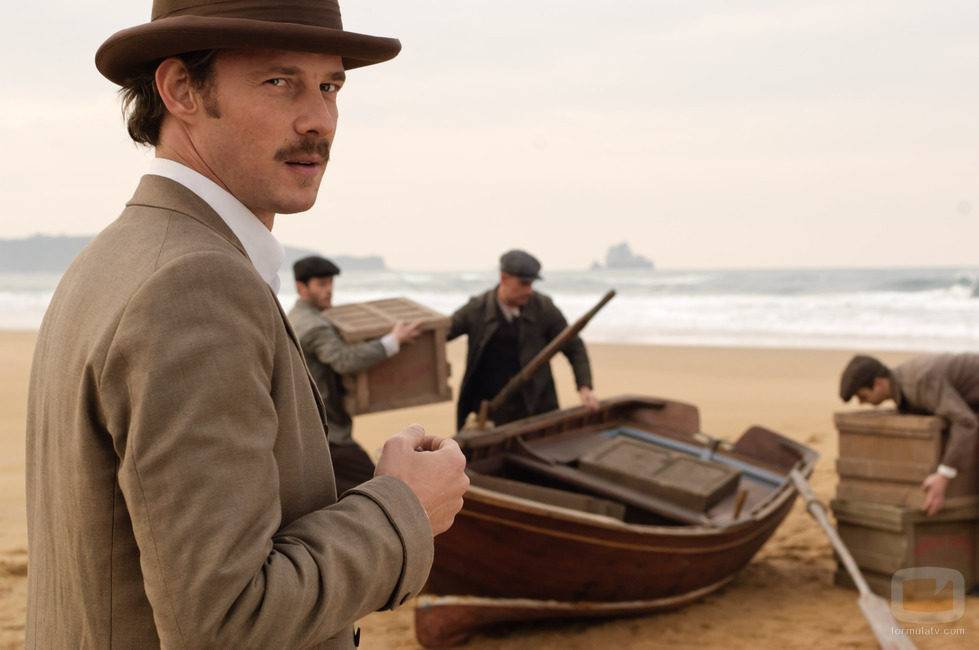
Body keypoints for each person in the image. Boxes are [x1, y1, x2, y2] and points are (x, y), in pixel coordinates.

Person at [25, 2, 468, 648]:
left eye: (330, 85)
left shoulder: (112, 257)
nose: (319, 119)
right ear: (180, 90)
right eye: (278, 81)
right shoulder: (191, 284)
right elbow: (227, 619)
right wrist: (403, 507)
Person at [289, 255, 423, 493]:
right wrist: (393, 341)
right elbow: (344, 360)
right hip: (328, 435)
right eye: (321, 284)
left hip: (308, 430)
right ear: (302, 287)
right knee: (380, 490)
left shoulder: (297, 317)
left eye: (330, 283)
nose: (329, 290)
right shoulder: (314, 326)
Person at [449, 249, 599, 430]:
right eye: (523, 283)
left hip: (537, 406)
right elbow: (443, 333)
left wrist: (585, 387)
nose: (529, 291)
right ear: (504, 278)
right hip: (490, 411)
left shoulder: (543, 308)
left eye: (532, 284)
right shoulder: (476, 309)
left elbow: (574, 346)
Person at [839, 353, 979, 516]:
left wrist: (942, 477)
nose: (862, 403)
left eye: (863, 396)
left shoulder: (921, 382)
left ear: (878, 383)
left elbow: (966, 422)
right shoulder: (904, 384)